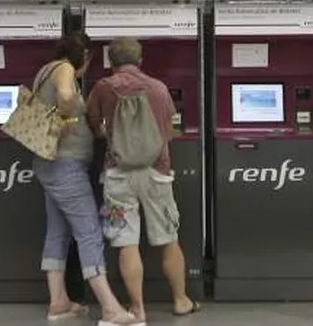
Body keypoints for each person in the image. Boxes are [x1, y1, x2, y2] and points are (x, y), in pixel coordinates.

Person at [86, 37, 199, 322]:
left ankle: (137, 309)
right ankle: (181, 300)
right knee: (169, 238)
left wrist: (105, 134)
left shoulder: (103, 87)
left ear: (110, 61)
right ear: (140, 60)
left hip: (117, 175)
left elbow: (92, 119)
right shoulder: (158, 88)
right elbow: (170, 129)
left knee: (127, 243)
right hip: (157, 173)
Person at [31, 33, 139, 326]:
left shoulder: (44, 71)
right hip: (65, 167)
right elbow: (66, 96)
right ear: (85, 56)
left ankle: (58, 302)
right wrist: (65, 120)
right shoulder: (64, 68)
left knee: (58, 231)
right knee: (89, 232)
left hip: (49, 164)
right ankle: (110, 308)